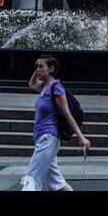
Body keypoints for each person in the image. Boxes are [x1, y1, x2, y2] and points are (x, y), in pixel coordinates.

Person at [21, 54, 90, 192]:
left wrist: (80, 136)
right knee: (57, 183)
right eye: (36, 66)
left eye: (41, 67)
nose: (38, 69)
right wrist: (38, 67)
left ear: (51, 68)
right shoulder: (43, 86)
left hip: (48, 138)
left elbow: (67, 114)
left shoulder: (56, 88)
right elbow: (31, 84)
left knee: (31, 178)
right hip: (42, 138)